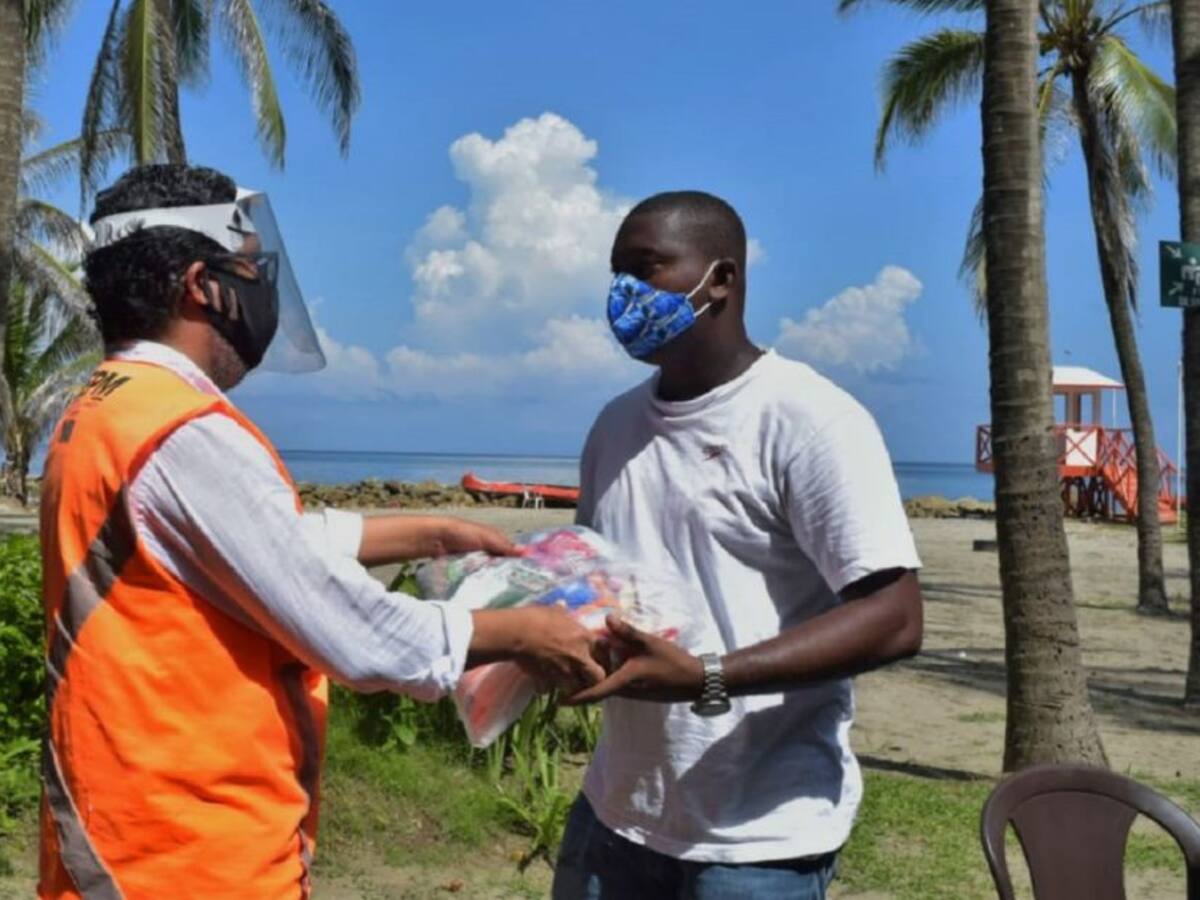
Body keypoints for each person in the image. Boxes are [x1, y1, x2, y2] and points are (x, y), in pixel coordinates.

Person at [38, 164, 603, 900]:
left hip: (130, 824)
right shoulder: (183, 431)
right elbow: (351, 632)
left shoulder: (110, 405)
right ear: (200, 286)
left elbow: (254, 545)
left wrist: (430, 532)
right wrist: (525, 632)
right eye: (249, 268)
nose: (262, 289)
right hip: (183, 852)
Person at [552, 191, 924, 899]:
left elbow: (896, 617)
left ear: (720, 278)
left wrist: (706, 676)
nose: (623, 292)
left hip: (758, 842)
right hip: (615, 816)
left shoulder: (809, 420)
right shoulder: (615, 426)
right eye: (615, 272)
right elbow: (598, 579)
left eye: (647, 266)